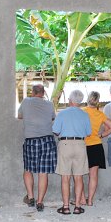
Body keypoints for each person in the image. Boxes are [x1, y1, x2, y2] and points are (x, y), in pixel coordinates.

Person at [18, 84, 57, 212]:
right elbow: (53, 117)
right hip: (47, 140)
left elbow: (20, 116)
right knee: (43, 172)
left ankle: (30, 198)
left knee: (28, 169)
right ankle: (40, 202)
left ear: (32, 92)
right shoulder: (49, 104)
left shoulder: (25, 101)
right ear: (43, 92)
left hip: (31, 140)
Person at [53, 90, 91, 215]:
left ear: (70, 100)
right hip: (80, 144)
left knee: (65, 178)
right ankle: (78, 206)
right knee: (78, 177)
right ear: (80, 102)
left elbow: (56, 131)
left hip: (65, 144)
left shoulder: (62, 113)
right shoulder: (85, 114)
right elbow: (88, 133)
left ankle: (65, 207)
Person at [79, 91, 111, 206]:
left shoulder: (82, 112)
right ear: (98, 101)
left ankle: (82, 200)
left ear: (88, 99)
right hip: (96, 146)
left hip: (82, 145)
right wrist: (101, 135)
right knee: (93, 175)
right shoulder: (100, 114)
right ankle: (90, 200)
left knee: (78, 174)